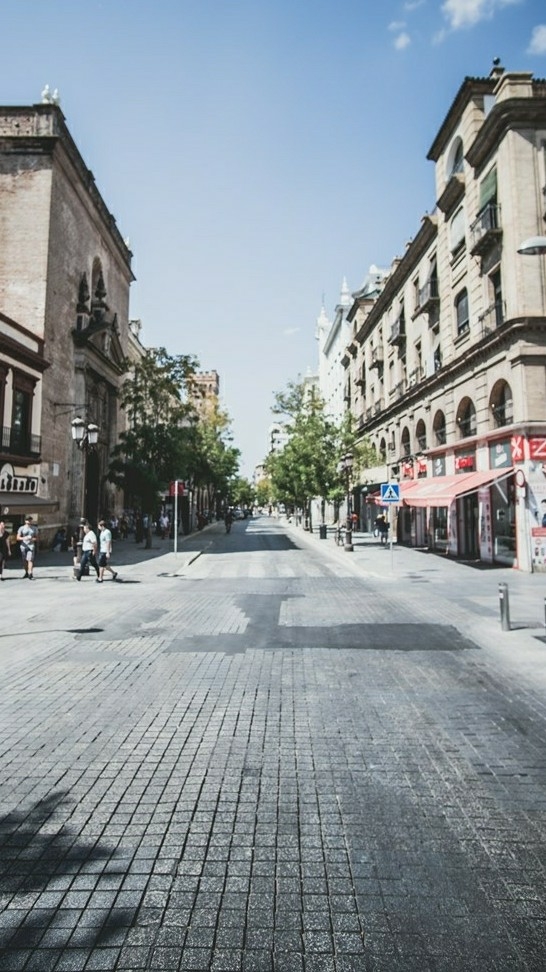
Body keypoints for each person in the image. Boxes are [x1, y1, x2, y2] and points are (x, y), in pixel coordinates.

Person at [17, 514, 38, 579]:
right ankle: (26, 572)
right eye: (27, 520)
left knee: (30, 559)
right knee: (24, 561)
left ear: (31, 521)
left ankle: (30, 573)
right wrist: (24, 538)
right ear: (25, 521)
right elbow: (18, 537)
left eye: (30, 520)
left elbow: (37, 538)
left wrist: (31, 539)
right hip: (23, 546)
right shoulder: (21, 528)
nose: (28, 521)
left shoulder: (34, 528)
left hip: (31, 546)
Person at [97, 519, 118, 583]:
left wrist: (108, 552)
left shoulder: (107, 532)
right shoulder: (102, 532)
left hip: (105, 550)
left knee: (101, 564)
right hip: (102, 549)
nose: (98, 527)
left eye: (99, 526)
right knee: (104, 565)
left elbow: (108, 542)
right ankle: (114, 573)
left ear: (102, 526)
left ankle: (100, 578)